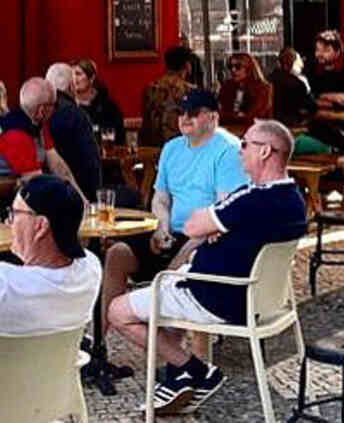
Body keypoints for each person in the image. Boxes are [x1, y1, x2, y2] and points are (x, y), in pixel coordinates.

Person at [108, 120, 307, 415]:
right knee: (167, 292)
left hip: (215, 295)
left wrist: (212, 223)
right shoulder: (294, 200)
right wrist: (218, 225)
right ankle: (180, 377)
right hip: (262, 302)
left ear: (265, 151)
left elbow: (192, 225)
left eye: (246, 145)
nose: (240, 152)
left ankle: (196, 371)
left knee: (119, 310)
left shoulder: (252, 199)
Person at [100, 89, 248, 342]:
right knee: (117, 254)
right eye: (182, 113)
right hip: (174, 231)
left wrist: (188, 243)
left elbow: (223, 213)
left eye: (194, 114)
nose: (185, 119)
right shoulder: (172, 148)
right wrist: (162, 228)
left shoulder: (228, 150)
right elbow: (161, 198)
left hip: (208, 237)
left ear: (213, 117)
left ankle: (176, 360)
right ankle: (100, 348)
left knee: (174, 272)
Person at [0, 175, 102, 360]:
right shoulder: (91, 270)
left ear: (41, 226)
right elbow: (28, 278)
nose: (8, 222)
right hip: (56, 385)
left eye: (15, 214)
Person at [0, 78, 85, 196]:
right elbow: (37, 184)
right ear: (42, 110)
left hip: (24, 188)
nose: (56, 110)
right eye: (54, 105)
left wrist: (82, 200)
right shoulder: (15, 134)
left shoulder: (37, 123)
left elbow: (58, 167)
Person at [304, 29, 344, 152]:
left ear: (338, 51)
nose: (320, 54)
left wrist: (322, 100)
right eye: (317, 50)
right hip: (320, 127)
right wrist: (331, 97)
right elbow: (308, 100)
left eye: (326, 50)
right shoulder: (312, 67)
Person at [46, 63, 103, 198]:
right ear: (71, 87)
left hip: (48, 190)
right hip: (79, 193)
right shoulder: (76, 115)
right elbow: (92, 164)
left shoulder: (40, 113)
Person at [142, 46, 196, 147]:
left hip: (154, 150)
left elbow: (146, 125)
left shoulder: (151, 88)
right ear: (187, 66)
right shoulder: (189, 91)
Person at [72, 58, 125, 137]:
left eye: (78, 74)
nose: (74, 79)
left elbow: (118, 135)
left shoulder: (107, 106)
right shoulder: (68, 105)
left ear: (91, 78)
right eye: (71, 74)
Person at [217, 53, 273, 124]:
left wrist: (233, 116)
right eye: (230, 66)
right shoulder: (227, 86)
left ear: (249, 68)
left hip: (255, 130)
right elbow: (220, 113)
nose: (233, 70)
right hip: (230, 129)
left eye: (238, 66)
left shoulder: (262, 88)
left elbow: (255, 117)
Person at [268, 47, 313, 126]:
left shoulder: (269, 78)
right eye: (299, 60)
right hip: (292, 124)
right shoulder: (298, 83)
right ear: (293, 63)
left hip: (271, 123)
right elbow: (311, 107)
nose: (302, 64)